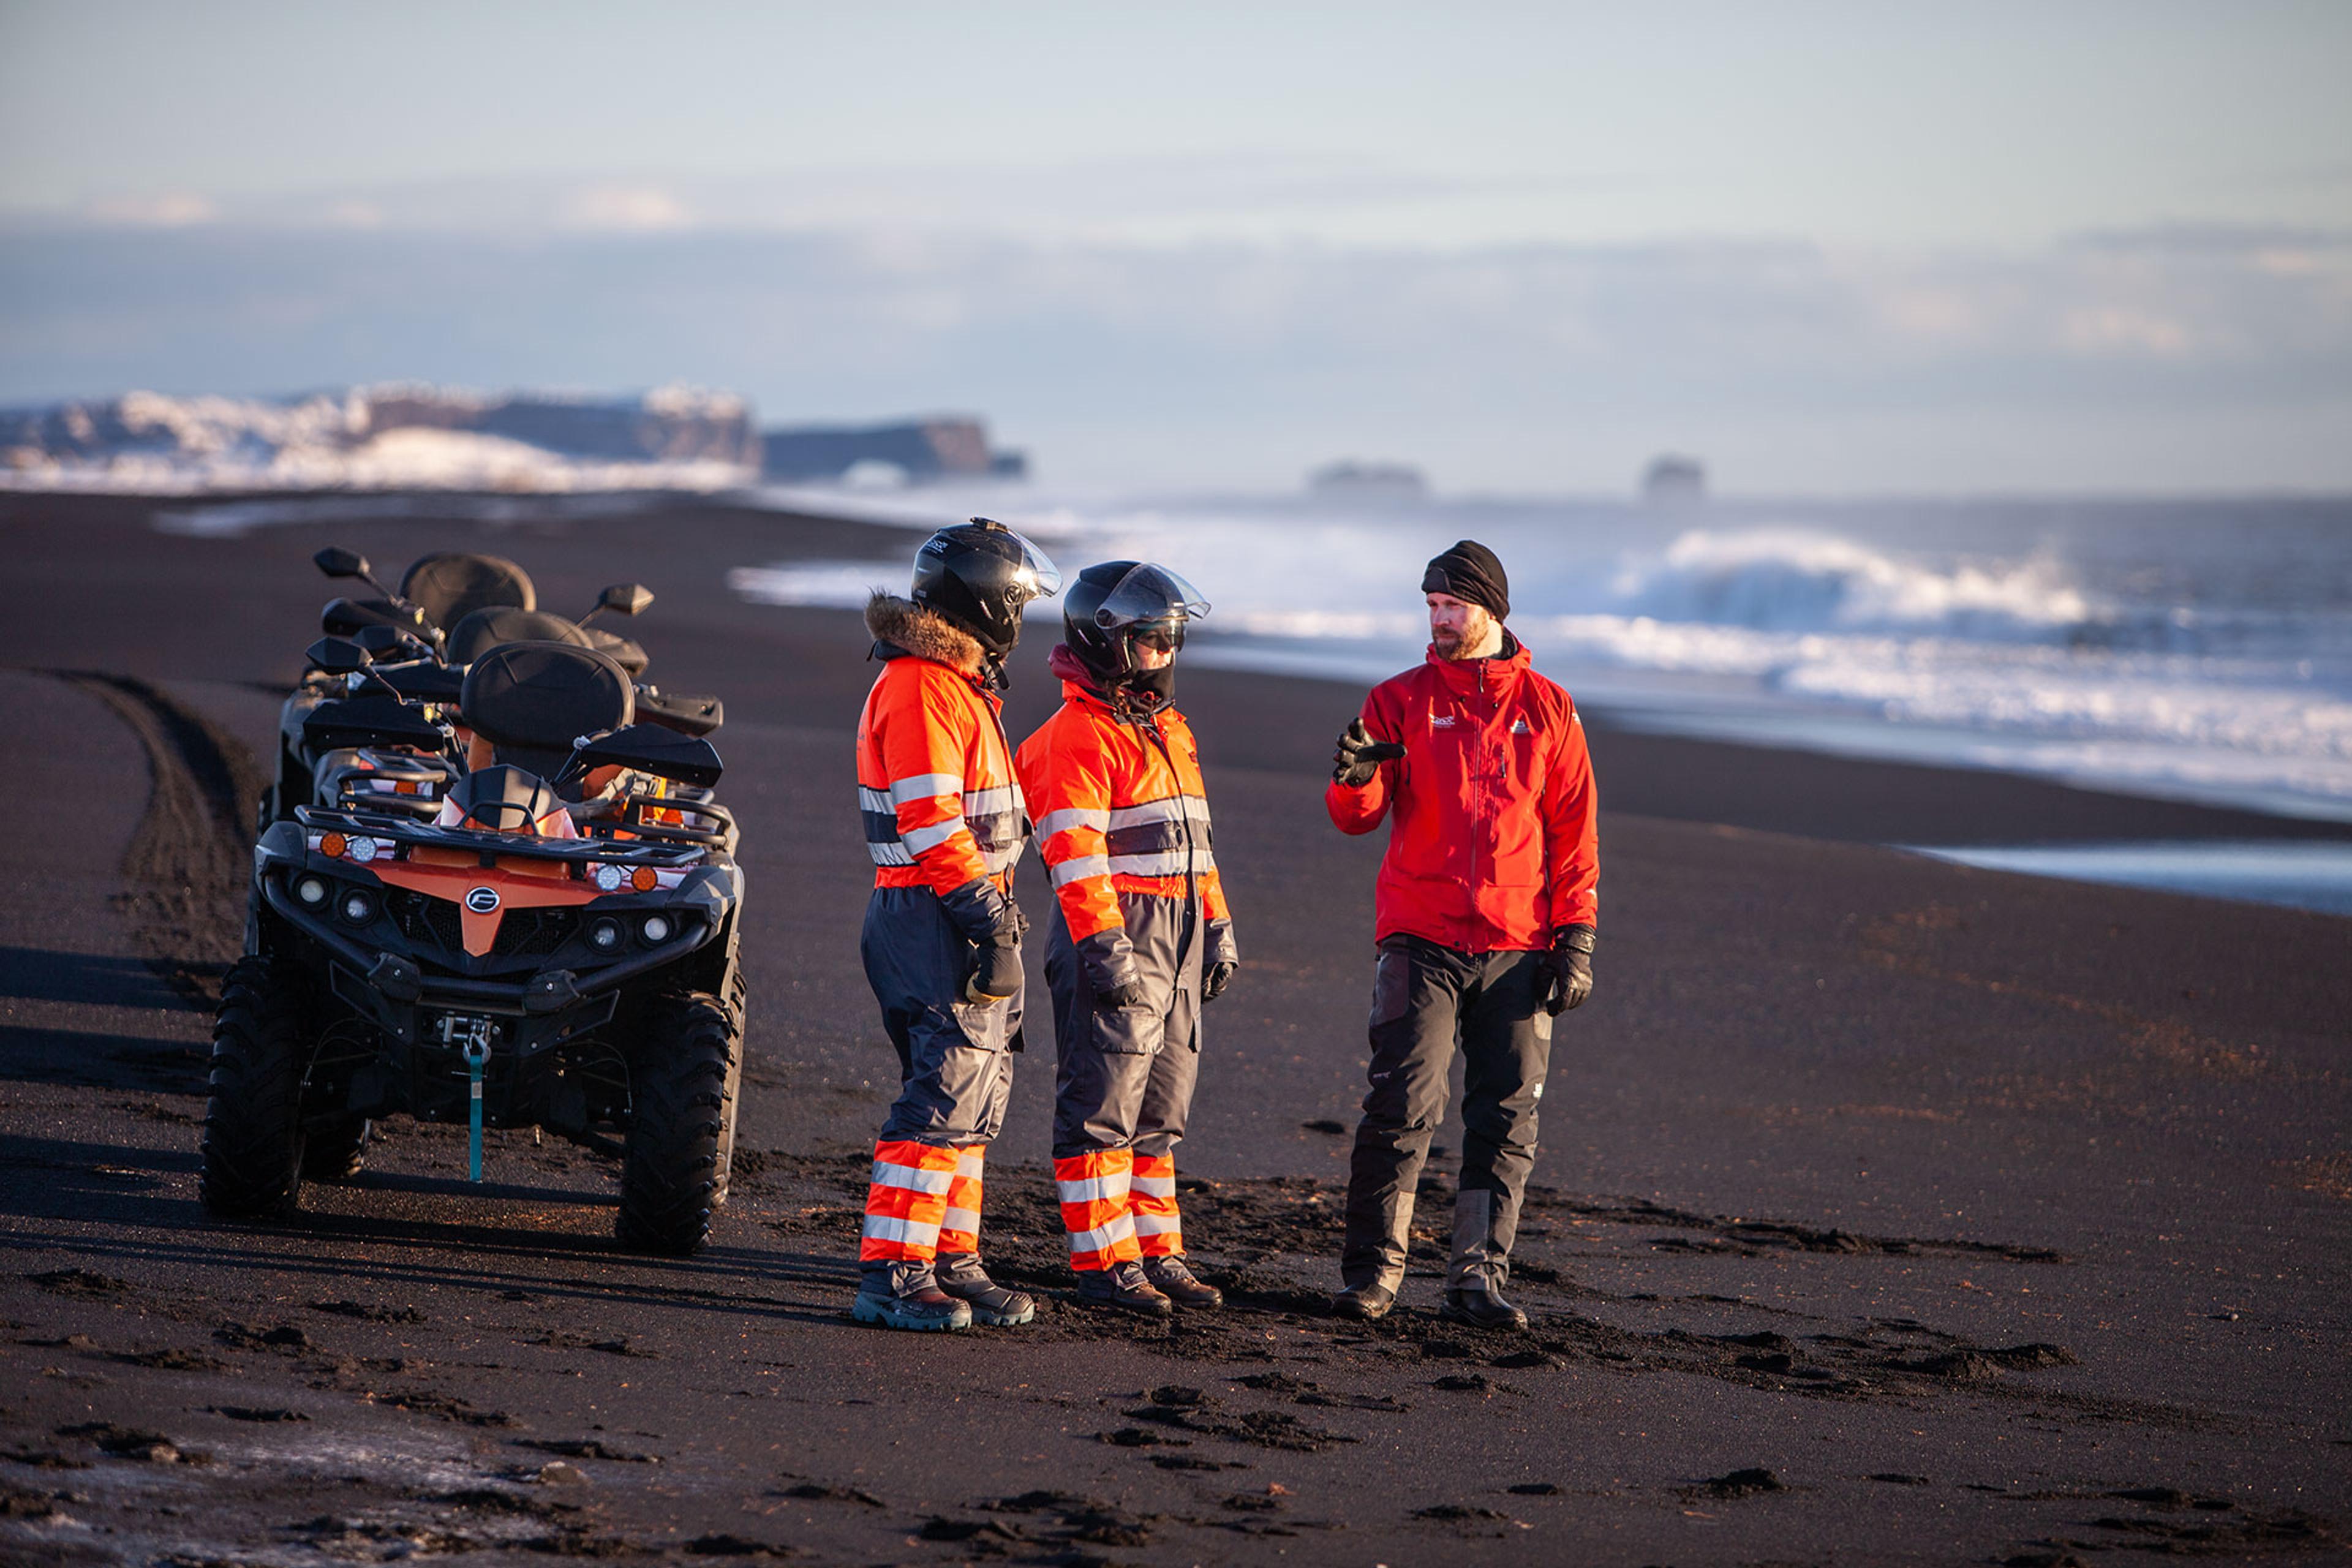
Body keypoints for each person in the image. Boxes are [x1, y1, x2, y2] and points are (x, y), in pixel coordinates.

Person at [1324, 540, 1598, 1330]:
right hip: (1421, 933)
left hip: (1519, 943)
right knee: (1402, 1103)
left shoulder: (1549, 708)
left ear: (1492, 611)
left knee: (1507, 1115)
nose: (1440, 621)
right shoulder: (1397, 699)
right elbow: (1356, 819)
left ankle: (1475, 1281)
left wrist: (1575, 936)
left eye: (1453, 607)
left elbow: (1574, 836)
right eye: (1432, 607)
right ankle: (1373, 1275)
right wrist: (1354, 776)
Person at [851, 518, 1061, 1332]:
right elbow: (933, 820)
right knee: (941, 1099)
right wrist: (986, 920)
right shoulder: (923, 686)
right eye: (1019, 602)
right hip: (933, 909)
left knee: (973, 1094)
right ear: (991, 604)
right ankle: (895, 1276)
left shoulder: (956, 683)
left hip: (947, 906)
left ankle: (952, 1260)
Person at [1016, 561, 1238, 1317]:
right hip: (1112, 934)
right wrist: (1106, 949)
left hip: (1176, 933)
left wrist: (1217, 922)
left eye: (1171, 641)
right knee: (1102, 1109)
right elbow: (1075, 861)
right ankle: (1103, 1264)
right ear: (1105, 642)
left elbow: (1196, 847)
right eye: (1149, 642)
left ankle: (1154, 1251)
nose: (1164, 657)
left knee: (1159, 1114)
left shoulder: (1171, 732)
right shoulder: (1073, 738)